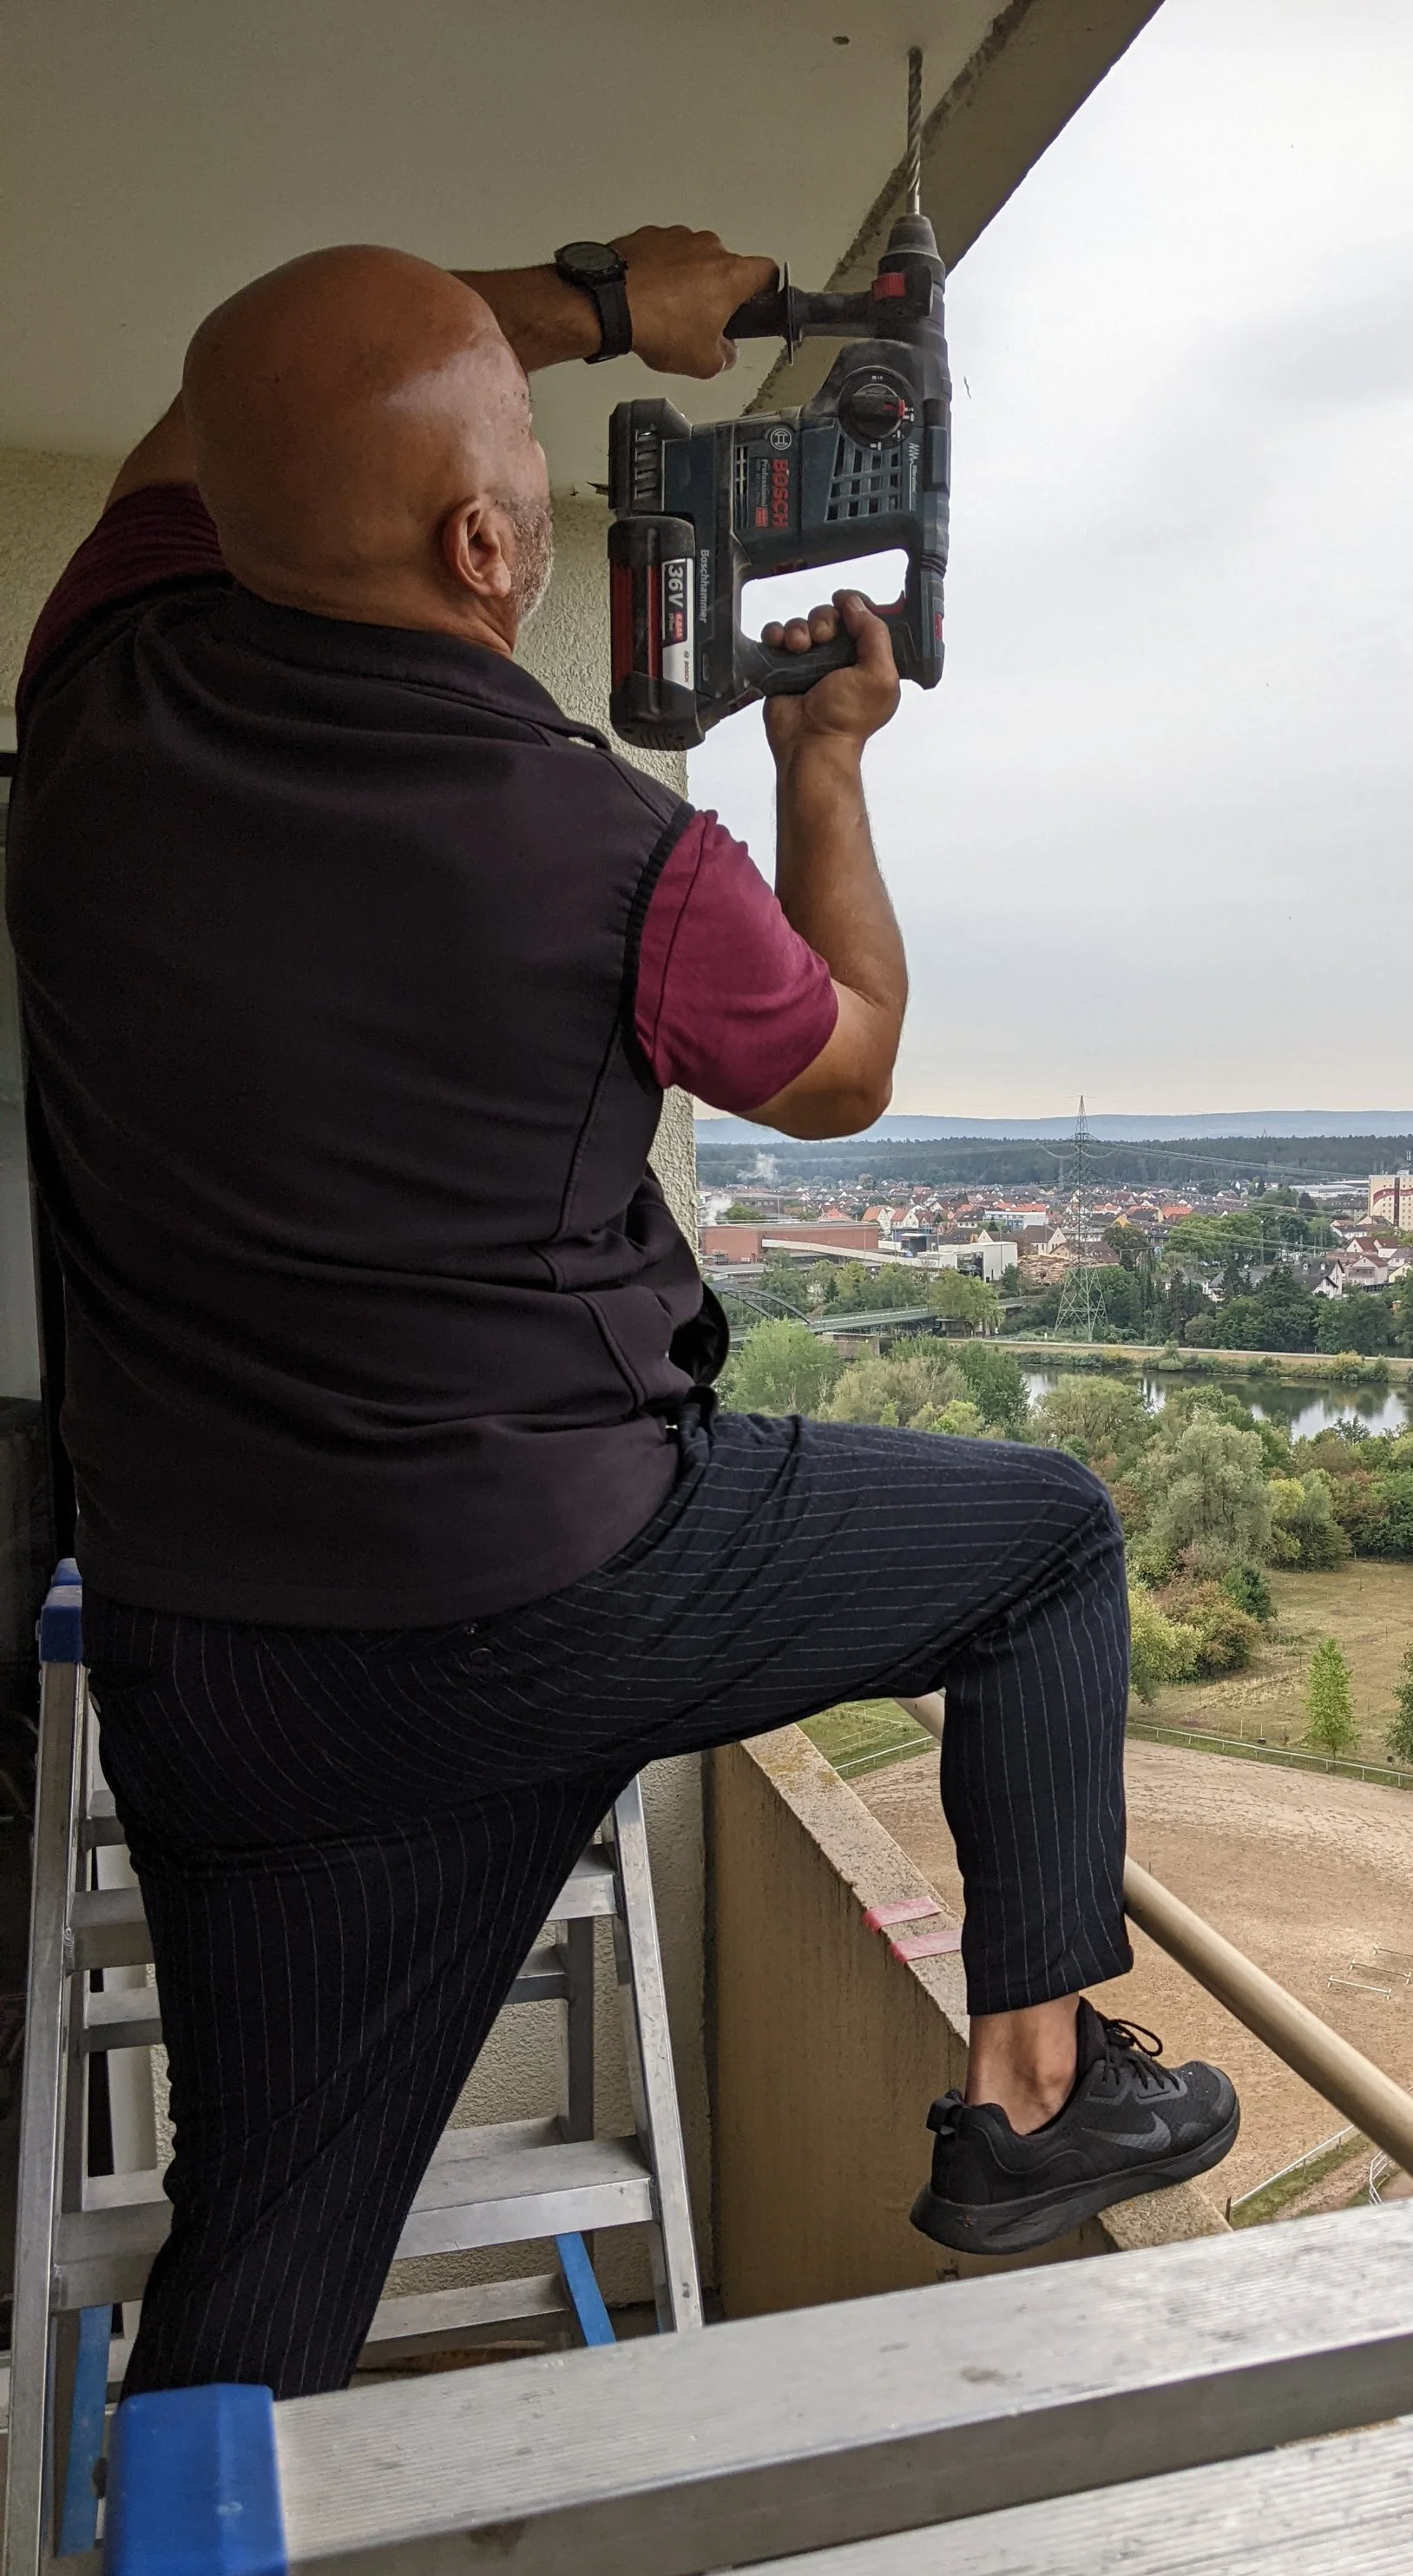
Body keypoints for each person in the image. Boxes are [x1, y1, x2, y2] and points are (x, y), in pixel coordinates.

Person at [7, 226, 1236, 2400]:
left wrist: (574, 304)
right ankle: (1036, 2095)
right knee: (1045, 1538)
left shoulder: (95, 700)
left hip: (220, 1662)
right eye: (517, 452)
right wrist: (824, 760)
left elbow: (220, 411)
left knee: (271, 2238)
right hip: (544, 1600)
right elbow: (843, 1066)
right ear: (493, 544)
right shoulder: (610, 853)